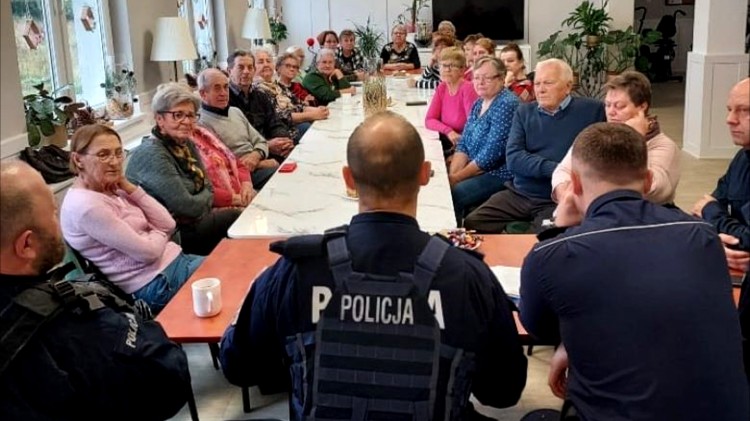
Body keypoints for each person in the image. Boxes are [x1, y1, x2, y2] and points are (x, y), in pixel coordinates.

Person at [219, 111, 527, 420]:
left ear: (348, 178)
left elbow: (239, 367)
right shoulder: (467, 275)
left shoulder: (293, 271)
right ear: (424, 174)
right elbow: (503, 392)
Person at [519, 123, 749, 420]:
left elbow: (538, 328)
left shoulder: (551, 255)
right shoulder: (703, 237)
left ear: (574, 185)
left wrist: (559, 228)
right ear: (648, 179)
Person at [0, 161, 192, 420]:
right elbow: (168, 377)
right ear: (27, 245)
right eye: (53, 214)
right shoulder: (71, 326)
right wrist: (142, 325)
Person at [62, 124, 204, 314]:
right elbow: (149, 252)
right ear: (78, 160)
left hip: (175, 264)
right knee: (240, 276)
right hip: (157, 284)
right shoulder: (87, 206)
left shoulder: (113, 188)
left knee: (244, 266)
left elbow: (169, 223)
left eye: (118, 153)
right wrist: (160, 233)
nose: (114, 162)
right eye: (103, 154)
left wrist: (130, 188)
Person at [464, 59, 606, 233]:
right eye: (537, 83)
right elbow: (514, 159)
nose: (540, 89)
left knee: (539, 239)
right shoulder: (524, 111)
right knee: (472, 223)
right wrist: (559, 169)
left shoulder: (593, 111)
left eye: (548, 83)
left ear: (568, 86)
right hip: (519, 193)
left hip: (554, 198)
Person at [126, 82, 242, 256]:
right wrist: (204, 198)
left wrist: (201, 198)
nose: (186, 122)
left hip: (193, 220)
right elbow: (187, 207)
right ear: (159, 119)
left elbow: (208, 186)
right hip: (169, 234)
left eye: (190, 115)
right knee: (235, 218)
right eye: (178, 115)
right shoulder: (152, 153)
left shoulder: (186, 143)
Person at [692, 77, 750, 380]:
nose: (730, 119)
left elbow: (710, 208)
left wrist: (713, 214)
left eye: (744, 111)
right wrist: (719, 230)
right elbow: (708, 204)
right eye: (730, 109)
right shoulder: (742, 157)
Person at [552, 70, 680, 206]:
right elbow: (562, 171)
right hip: (594, 213)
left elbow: (654, 190)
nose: (611, 112)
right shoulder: (596, 136)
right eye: (607, 105)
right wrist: (566, 197)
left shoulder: (663, 146)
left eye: (620, 106)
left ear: (642, 107)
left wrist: (635, 139)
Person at [450, 56, 519, 224]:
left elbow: (491, 155)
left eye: (487, 78)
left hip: (500, 173)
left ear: (502, 79)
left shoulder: (507, 104)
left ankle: (456, 241)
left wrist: (457, 179)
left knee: (454, 194)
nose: (480, 82)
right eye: (477, 77)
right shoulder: (479, 102)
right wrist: (452, 175)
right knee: (444, 187)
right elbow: (464, 142)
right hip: (475, 168)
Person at [197, 68, 279, 189]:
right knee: (283, 178)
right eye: (217, 88)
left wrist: (255, 156)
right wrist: (261, 164)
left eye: (225, 87)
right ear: (203, 93)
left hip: (256, 164)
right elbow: (221, 163)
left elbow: (260, 141)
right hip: (239, 177)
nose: (223, 93)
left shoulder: (235, 111)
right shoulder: (201, 123)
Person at [226, 49, 295, 159]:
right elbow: (237, 140)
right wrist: (267, 145)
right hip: (250, 154)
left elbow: (275, 123)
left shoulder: (260, 96)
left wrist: (283, 140)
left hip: (272, 148)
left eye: (250, 67)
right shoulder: (225, 100)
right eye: (241, 67)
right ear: (229, 71)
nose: (246, 71)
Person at [255, 52, 330, 143]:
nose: (266, 64)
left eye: (268, 61)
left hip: (298, 124)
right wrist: (312, 115)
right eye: (260, 62)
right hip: (284, 131)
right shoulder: (257, 89)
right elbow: (280, 116)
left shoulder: (278, 86)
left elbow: (299, 105)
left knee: (326, 126)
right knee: (316, 133)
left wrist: (319, 110)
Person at [424, 47, 478, 156]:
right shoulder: (442, 87)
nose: (447, 70)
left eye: (452, 66)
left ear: (462, 70)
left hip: (464, 145)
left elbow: (473, 126)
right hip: (447, 139)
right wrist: (448, 131)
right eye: (443, 65)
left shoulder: (468, 89)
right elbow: (429, 119)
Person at [191, 123, 256, 209]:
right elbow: (199, 189)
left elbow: (238, 164)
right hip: (220, 206)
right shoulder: (180, 148)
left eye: (191, 115)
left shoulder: (204, 133)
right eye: (178, 115)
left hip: (243, 194)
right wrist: (237, 199)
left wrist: (247, 184)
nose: (186, 120)